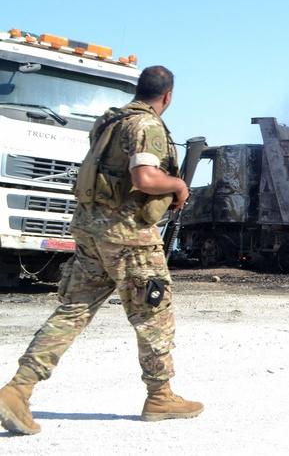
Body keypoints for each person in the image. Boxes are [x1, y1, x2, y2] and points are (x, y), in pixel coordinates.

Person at [0, 66, 203, 436]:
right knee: (153, 313)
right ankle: (160, 396)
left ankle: (18, 389)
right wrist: (178, 186)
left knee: (73, 310)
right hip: (128, 237)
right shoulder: (146, 125)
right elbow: (145, 177)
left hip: (91, 231)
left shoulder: (108, 122)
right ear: (167, 96)